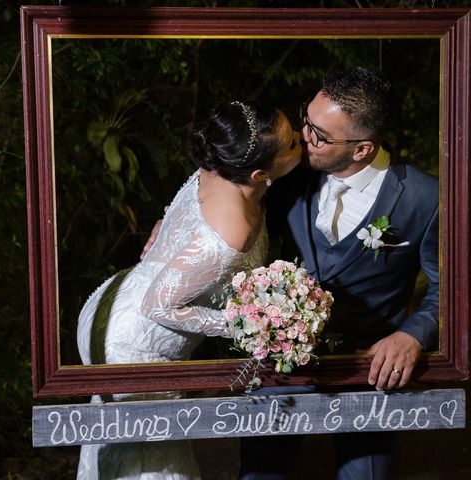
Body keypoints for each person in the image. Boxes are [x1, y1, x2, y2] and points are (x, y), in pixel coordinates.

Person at [75, 100, 301, 480]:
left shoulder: (218, 164)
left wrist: (163, 228)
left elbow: (182, 213)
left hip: (112, 300)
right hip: (133, 346)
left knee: (116, 448)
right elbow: (158, 306)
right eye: (293, 142)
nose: (300, 138)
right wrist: (247, 325)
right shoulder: (228, 235)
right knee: (153, 463)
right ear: (262, 173)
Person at [238, 67, 439, 480]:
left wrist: (412, 334)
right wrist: (182, 220)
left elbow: (451, 289)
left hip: (366, 372)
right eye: (305, 120)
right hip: (283, 369)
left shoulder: (426, 198)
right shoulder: (290, 173)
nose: (302, 136)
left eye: (319, 134)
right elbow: (230, 190)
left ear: (362, 149)